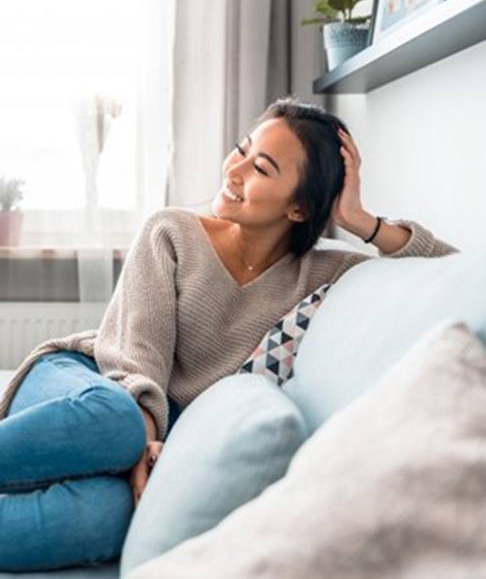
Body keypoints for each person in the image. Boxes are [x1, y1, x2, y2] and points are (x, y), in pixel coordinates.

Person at [0, 96, 458, 572]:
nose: (234, 169)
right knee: (115, 419)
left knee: (107, 517)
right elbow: (137, 355)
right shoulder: (172, 230)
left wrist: (362, 222)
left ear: (299, 208)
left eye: (260, 167)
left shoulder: (326, 274)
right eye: (241, 149)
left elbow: (456, 274)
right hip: (89, 383)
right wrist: (144, 432)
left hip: (146, 435)